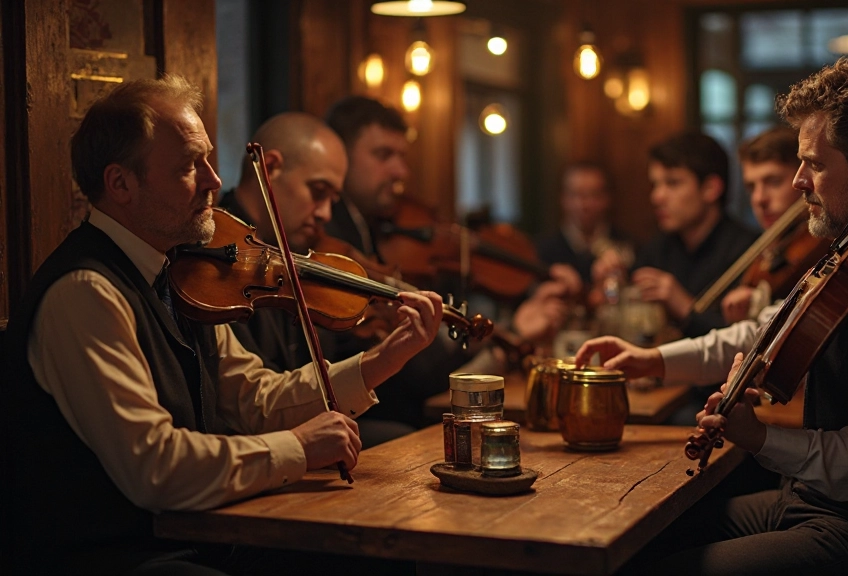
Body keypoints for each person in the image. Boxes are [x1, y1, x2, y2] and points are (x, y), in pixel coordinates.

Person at [1, 76, 443, 574]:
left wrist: (386, 358)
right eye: (190, 165)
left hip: (190, 536)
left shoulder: (179, 274)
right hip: (113, 556)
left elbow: (254, 399)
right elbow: (156, 468)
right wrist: (298, 448)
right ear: (120, 184)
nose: (214, 181)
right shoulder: (86, 293)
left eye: (208, 159)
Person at [577, 57, 848, 575]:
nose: (799, 181)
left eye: (815, 164)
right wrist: (652, 360)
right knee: (642, 533)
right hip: (821, 504)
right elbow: (766, 331)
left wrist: (759, 438)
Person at [217, 111, 418, 446]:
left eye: (332, 199)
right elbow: (255, 404)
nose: (325, 213)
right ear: (270, 168)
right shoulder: (219, 258)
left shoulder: (294, 252)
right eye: (318, 191)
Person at [323, 95, 581, 352]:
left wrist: (538, 286)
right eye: (384, 155)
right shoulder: (333, 239)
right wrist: (512, 332)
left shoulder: (370, 225)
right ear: (340, 156)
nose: (401, 172)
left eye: (402, 157)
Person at [591, 131, 759, 339]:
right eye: (655, 184)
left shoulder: (749, 250)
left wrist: (684, 306)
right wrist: (612, 284)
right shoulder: (660, 245)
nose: (656, 197)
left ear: (710, 188)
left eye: (672, 183)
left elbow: (749, 340)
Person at [719, 126, 829, 324]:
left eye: (774, 182)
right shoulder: (770, 248)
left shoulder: (824, 241)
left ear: (803, 177)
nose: (759, 199)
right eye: (751, 187)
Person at [535, 161, 631, 285]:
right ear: (563, 198)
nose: (583, 205)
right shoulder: (541, 251)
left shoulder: (629, 246)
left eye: (593, 195)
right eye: (574, 194)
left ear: (607, 198)